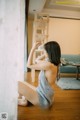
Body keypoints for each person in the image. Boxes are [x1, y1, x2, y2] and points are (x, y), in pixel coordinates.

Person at [18, 41, 61, 109]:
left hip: (43, 100)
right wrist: (45, 51)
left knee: (17, 84)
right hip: (46, 97)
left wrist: (33, 48)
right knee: (23, 83)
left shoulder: (48, 65)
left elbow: (29, 65)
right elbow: (37, 60)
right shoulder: (53, 64)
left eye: (45, 51)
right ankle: (24, 100)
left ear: (49, 52)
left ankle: (22, 100)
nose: (44, 52)